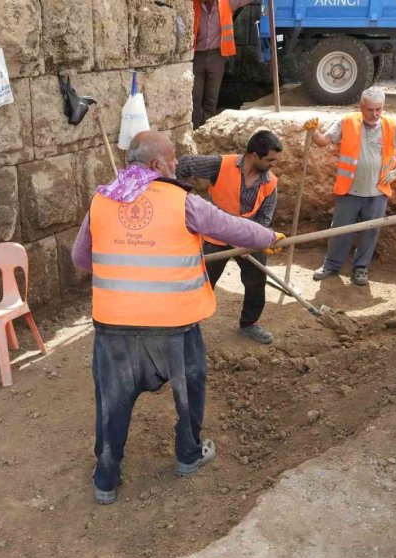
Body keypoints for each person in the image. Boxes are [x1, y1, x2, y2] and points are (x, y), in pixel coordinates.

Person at [71, 131, 285, 505]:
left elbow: (81, 258)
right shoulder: (182, 201)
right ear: (156, 164)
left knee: (112, 401)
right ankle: (188, 455)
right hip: (172, 325)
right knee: (188, 391)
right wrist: (268, 235)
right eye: (172, 160)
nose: (176, 166)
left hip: (114, 326)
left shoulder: (101, 200)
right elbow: (231, 228)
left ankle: (106, 477)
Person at [176, 130, 283, 344]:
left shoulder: (270, 182)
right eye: (270, 160)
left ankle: (249, 323)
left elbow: (263, 218)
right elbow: (185, 164)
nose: (274, 164)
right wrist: (182, 196)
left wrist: (251, 241)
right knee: (202, 282)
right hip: (214, 237)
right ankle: (186, 325)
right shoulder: (221, 165)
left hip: (247, 240)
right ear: (253, 155)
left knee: (256, 281)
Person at [305, 87, 396, 286]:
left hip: (377, 192)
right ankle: (331, 265)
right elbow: (323, 141)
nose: (374, 114)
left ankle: (361, 268)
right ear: (361, 107)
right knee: (340, 229)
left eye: (379, 109)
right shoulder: (347, 122)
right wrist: (312, 132)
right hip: (349, 190)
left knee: (371, 231)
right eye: (370, 110)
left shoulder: (391, 126)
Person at [192, 0, 253, 129]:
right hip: (196, 55)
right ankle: (194, 128)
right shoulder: (193, 4)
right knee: (195, 96)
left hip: (217, 55)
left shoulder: (227, 3)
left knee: (212, 96)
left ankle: (207, 129)